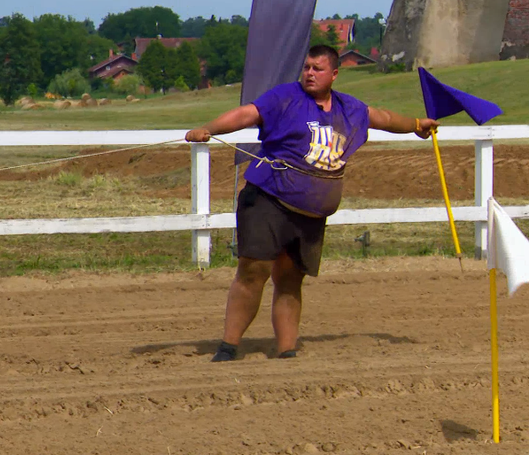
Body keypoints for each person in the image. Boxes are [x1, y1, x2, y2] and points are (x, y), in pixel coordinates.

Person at [185, 45, 439, 362]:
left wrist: (417, 125)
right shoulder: (285, 97)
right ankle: (228, 347)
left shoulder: (350, 108)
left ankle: (287, 350)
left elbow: (384, 118)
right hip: (268, 199)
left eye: (317, 68)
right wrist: (209, 128)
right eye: (306, 67)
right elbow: (247, 114)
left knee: (291, 279)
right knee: (254, 271)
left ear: (334, 73)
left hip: (310, 215)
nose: (309, 73)